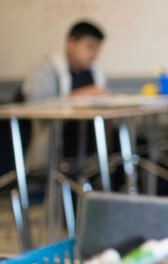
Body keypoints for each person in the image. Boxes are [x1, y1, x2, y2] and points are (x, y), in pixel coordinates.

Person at [21, 20, 108, 163]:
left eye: (97, 49)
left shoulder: (97, 73)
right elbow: (35, 105)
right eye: (90, 47)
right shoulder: (47, 70)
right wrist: (79, 96)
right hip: (51, 146)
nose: (94, 54)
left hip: (87, 145)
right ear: (71, 43)